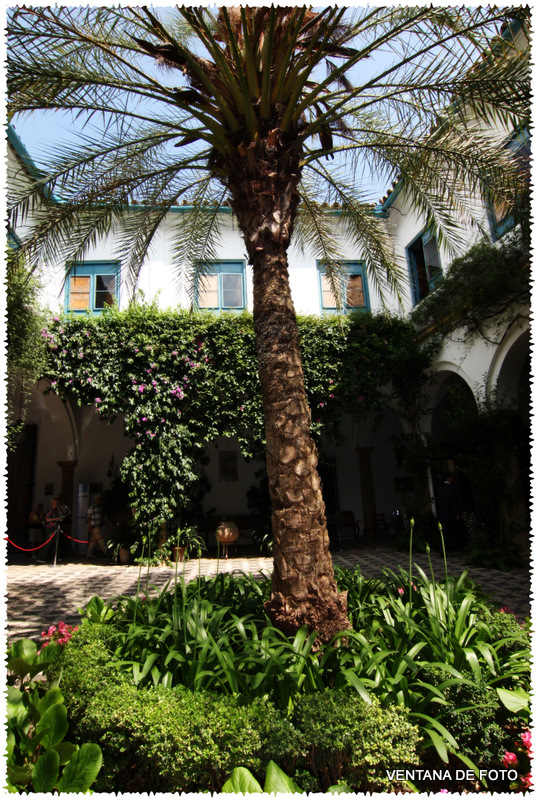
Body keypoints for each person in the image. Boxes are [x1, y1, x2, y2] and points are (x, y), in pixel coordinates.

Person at [436, 473, 462, 550]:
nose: (452, 480)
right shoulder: (451, 488)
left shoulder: (440, 488)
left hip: (442, 513)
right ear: (448, 478)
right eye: (452, 478)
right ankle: (452, 546)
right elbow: (453, 501)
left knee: (444, 531)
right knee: (452, 531)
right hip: (450, 514)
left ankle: (443, 548)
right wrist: (457, 513)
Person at [43, 497, 64, 563]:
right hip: (49, 528)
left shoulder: (56, 510)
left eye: (56, 502)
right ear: (51, 503)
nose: (55, 504)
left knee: (56, 543)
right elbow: (47, 519)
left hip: (55, 527)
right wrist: (56, 518)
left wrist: (59, 519)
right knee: (47, 543)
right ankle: (42, 558)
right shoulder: (49, 510)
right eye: (54, 502)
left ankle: (55, 557)